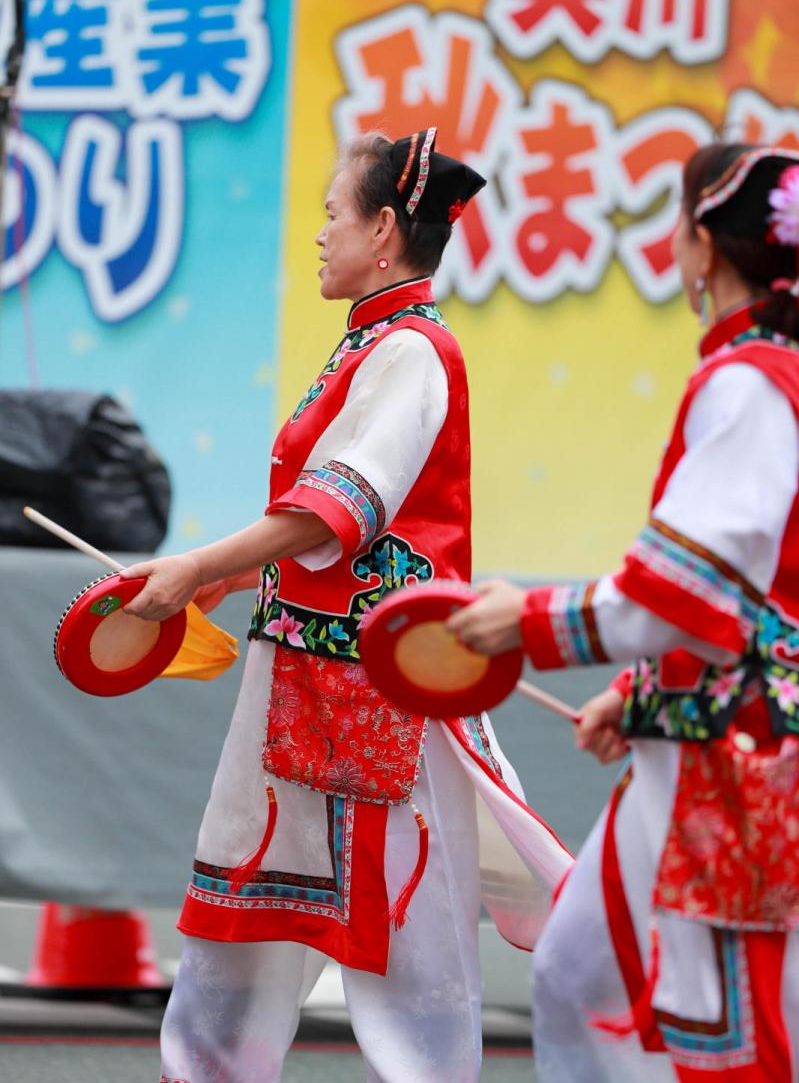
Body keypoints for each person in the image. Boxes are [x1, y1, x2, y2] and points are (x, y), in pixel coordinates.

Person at [123, 127, 572, 1083]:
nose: (319, 235)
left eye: (332, 215)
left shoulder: (412, 351)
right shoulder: (372, 345)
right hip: (297, 683)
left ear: (380, 228)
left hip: (382, 696)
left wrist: (200, 559)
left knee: (412, 948)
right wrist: (237, 573)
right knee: (239, 914)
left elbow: (343, 504)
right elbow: (327, 522)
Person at [449, 142, 799, 1082]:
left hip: (744, 766)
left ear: (699, 247)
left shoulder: (751, 384)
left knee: (738, 1028)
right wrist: (641, 696)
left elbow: (691, 591)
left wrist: (526, 622)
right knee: (575, 974)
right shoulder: (765, 376)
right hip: (698, 737)